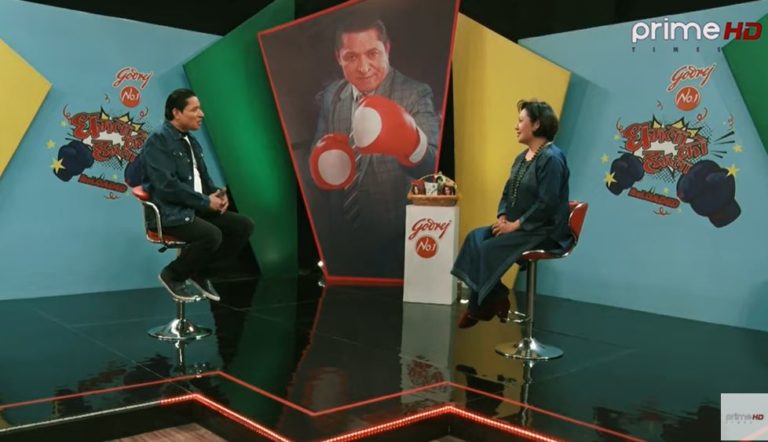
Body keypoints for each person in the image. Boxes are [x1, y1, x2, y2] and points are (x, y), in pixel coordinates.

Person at [307, 17, 440, 279]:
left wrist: (411, 142)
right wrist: (324, 162)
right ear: (338, 57)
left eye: (372, 53)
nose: (363, 67)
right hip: (342, 234)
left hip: (393, 237)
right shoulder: (333, 94)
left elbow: (431, 166)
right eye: (351, 57)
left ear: (387, 49)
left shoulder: (414, 93)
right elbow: (315, 159)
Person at [451, 100, 571, 328]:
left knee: (488, 248)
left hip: (544, 230)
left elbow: (547, 203)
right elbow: (507, 192)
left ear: (536, 124)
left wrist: (516, 225)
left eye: (521, 121)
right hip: (518, 226)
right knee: (475, 238)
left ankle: (479, 307)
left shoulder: (552, 159)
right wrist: (503, 216)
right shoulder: (521, 158)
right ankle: (496, 296)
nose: (516, 126)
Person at [142, 88, 255, 301]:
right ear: (176, 113)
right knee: (211, 235)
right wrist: (204, 201)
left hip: (194, 208)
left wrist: (216, 194)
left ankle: (200, 272)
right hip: (169, 213)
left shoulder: (190, 141)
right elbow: (166, 185)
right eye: (194, 109)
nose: (201, 114)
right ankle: (173, 274)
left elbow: (202, 178)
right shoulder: (158, 140)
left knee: (243, 226)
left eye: (200, 109)